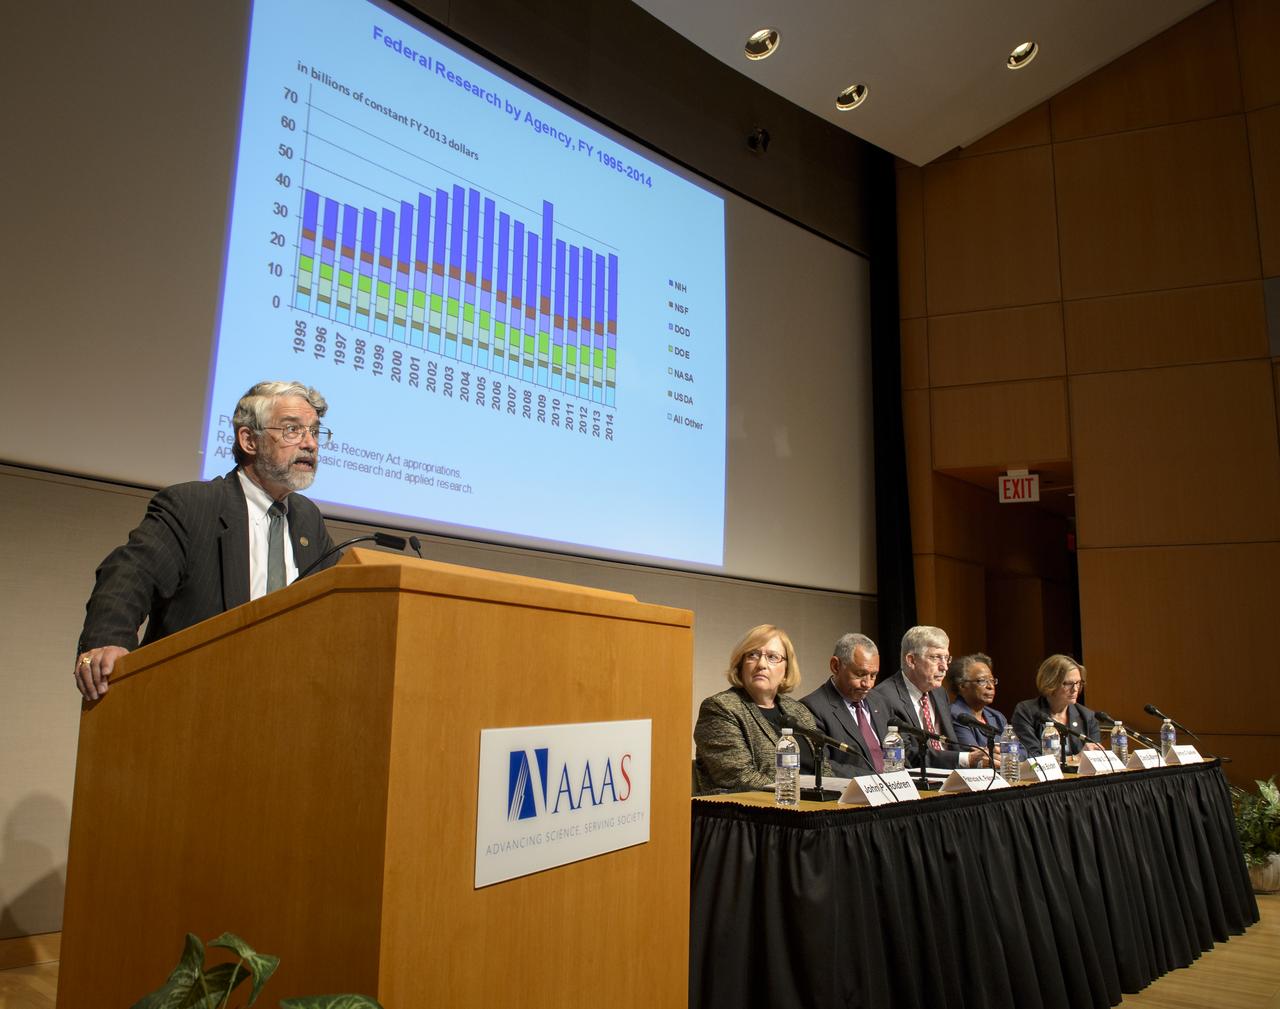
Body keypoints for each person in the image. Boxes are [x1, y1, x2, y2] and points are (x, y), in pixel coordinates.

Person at [73, 380, 338, 700]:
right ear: (248, 440)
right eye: (292, 430)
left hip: (284, 698)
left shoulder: (307, 519)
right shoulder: (193, 506)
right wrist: (108, 640)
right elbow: (130, 573)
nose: (309, 443)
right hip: (194, 697)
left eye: (315, 431)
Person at [693, 624, 829, 793]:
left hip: (810, 811)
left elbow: (824, 772)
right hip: (751, 814)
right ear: (741, 665)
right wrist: (799, 794)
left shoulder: (799, 711)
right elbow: (740, 777)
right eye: (753, 655)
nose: (761, 664)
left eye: (773, 657)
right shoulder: (720, 708)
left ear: (786, 670)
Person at [869, 625, 990, 769]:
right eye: (936, 658)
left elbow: (949, 746)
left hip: (951, 777)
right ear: (911, 660)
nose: (944, 667)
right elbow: (906, 755)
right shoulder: (884, 697)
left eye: (946, 658)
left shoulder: (939, 693)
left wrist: (980, 755)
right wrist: (966, 759)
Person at [800, 632, 888, 776]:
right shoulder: (811, 708)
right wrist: (876, 779)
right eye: (860, 674)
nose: (868, 684)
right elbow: (823, 764)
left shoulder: (880, 702)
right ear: (835, 666)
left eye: (873, 675)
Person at [1010, 654, 1103, 758]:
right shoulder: (1026, 711)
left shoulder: (1087, 716)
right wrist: (1075, 758)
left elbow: (1096, 757)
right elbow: (1032, 756)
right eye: (1068, 683)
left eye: (1078, 683)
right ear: (1050, 683)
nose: (1075, 689)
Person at [949, 653, 1008, 751]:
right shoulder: (955, 715)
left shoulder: (997, 716)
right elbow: (975, 754)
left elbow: (1021, 751)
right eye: (982, 681)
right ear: (962, 686)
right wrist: (1006, 753)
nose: (990, 686)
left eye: (992, 680)